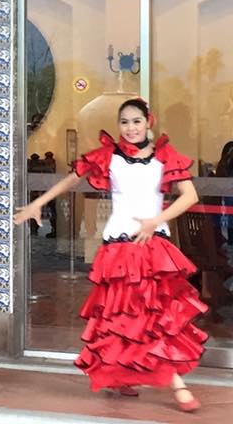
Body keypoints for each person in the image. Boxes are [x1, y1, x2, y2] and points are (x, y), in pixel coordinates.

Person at [14, 98, 207, 413]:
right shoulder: (109, 156)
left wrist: (156, 220)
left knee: (155, 317)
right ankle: (125, 376)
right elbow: (72, 178)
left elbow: (190, 196)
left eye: (136, 121)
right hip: (118, 247)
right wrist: (39, 202)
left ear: (149, 122)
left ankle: (177, 384)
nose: (130, 128)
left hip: (152, 246)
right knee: (120, 318)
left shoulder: (165, 157)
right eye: (125, 122)